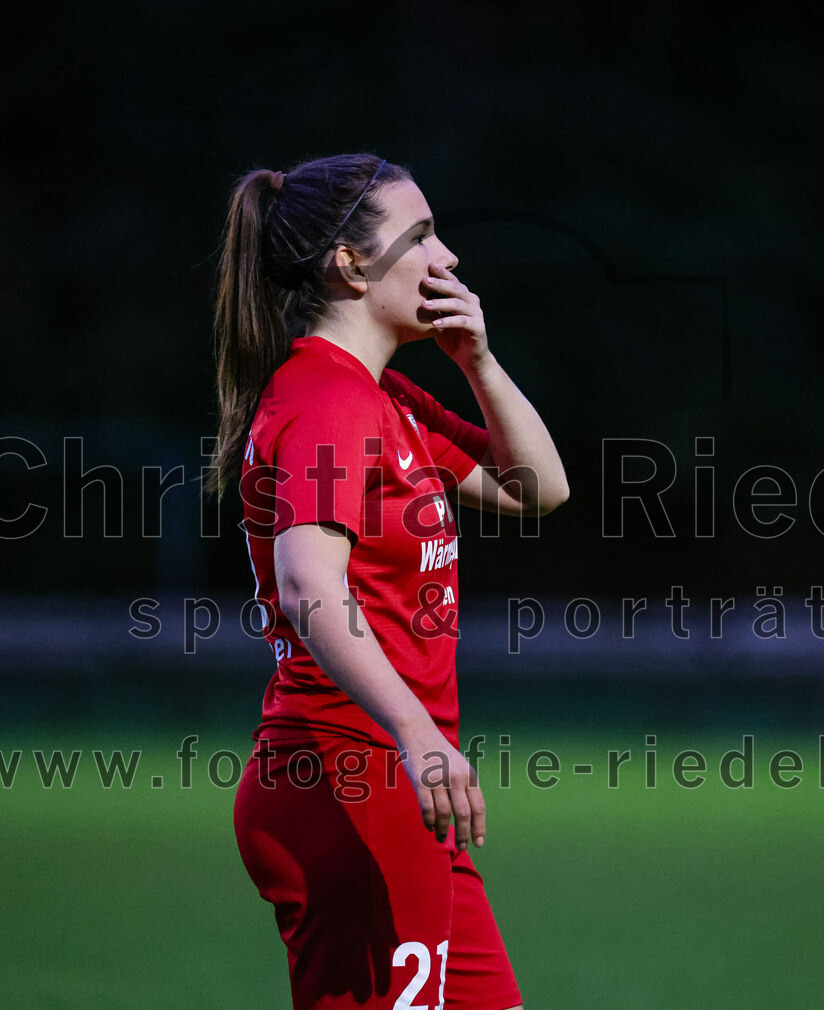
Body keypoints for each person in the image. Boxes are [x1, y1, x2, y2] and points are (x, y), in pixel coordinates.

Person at [207, 152, 568, 1010]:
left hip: (397, 785)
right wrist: (417, 732)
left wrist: (477, 361)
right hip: (348, 777)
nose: (446, 261)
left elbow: (539, 490)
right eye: (424, 236)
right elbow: (309, 586)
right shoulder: (327, 399)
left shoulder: (387, 399)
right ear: (352, 263)